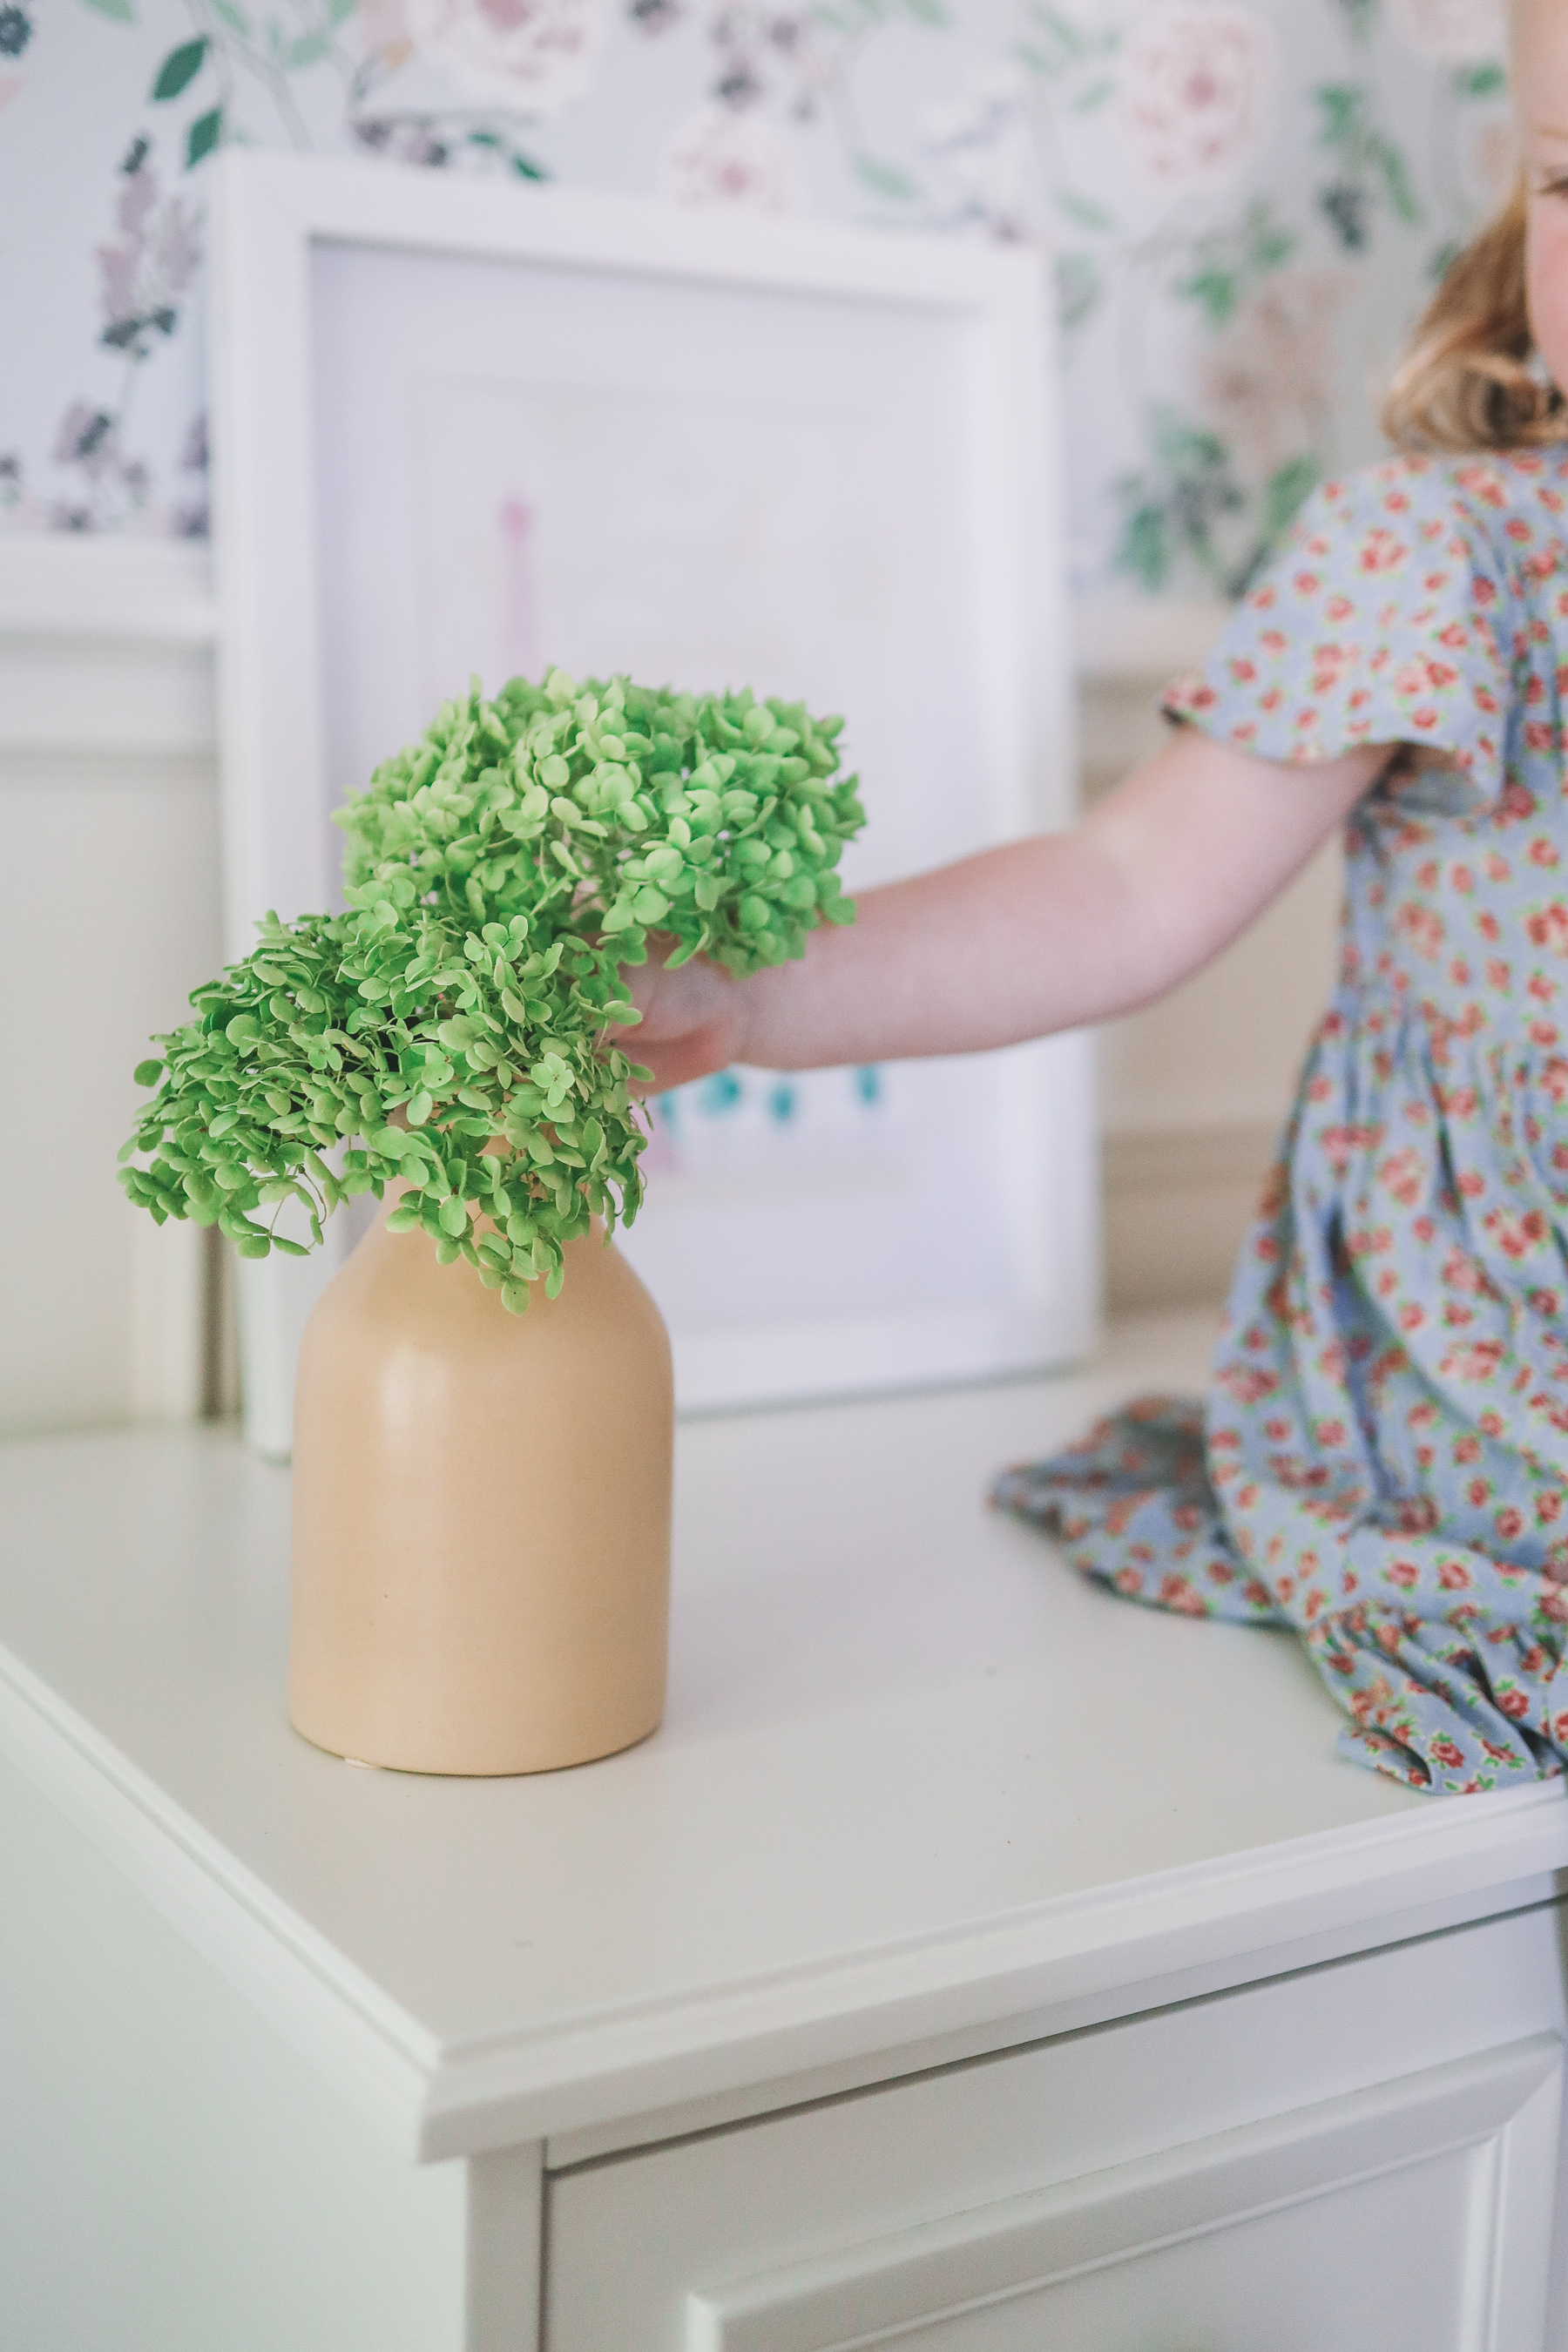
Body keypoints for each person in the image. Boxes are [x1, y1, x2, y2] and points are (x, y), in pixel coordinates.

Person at [621, 0, 1568, 1794]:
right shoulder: (1443, 556)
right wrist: (757, 994)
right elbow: (1128, 885)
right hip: (1506, 1387)